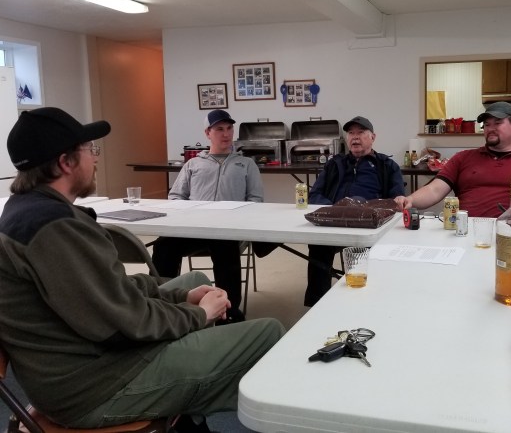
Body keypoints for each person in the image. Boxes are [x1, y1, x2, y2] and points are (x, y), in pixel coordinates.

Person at [0, 107, 284, 431]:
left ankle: (189, 416)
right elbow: (124, 324)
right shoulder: (54, 228)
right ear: (66, 162)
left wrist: (182, 296)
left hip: (83, 363)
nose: (95, 158)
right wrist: (198, 314)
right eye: (90, 150)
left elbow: (108, 290)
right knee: (268, 332)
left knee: (194, 280)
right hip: (97, 386)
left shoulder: (28, 211)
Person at [152, 109, 264, 323]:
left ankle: (229, 311)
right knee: (164, 245)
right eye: (219, 129)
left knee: (225, 247)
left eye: (229, 128)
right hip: (194, 229)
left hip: (227, 230)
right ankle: (160, 301)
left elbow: (256, 200)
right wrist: (188, 213)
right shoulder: (193, 164)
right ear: (207, 133)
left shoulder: (246, 164)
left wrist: (239, 216)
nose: (226, 134)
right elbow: (175, 196)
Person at [395, 102, 511, 217]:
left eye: (497, 123)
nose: (490, 128)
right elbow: (434, 190)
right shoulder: (463, 158)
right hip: (465, 233)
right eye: (487, 125)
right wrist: (410, 200)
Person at [304, 116, 405, 306]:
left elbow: (396, 200)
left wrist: (373, 209)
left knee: (366, 251)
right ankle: (316, 304)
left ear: (373, 137)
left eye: (361, 132)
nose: (355, 137)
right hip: (335, 221)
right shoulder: (334, 164)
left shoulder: (387, 166)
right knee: (318, 244)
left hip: (369, 224)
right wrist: (334, 211)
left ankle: (362, 303)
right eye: (351, 133)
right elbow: (315, 194)